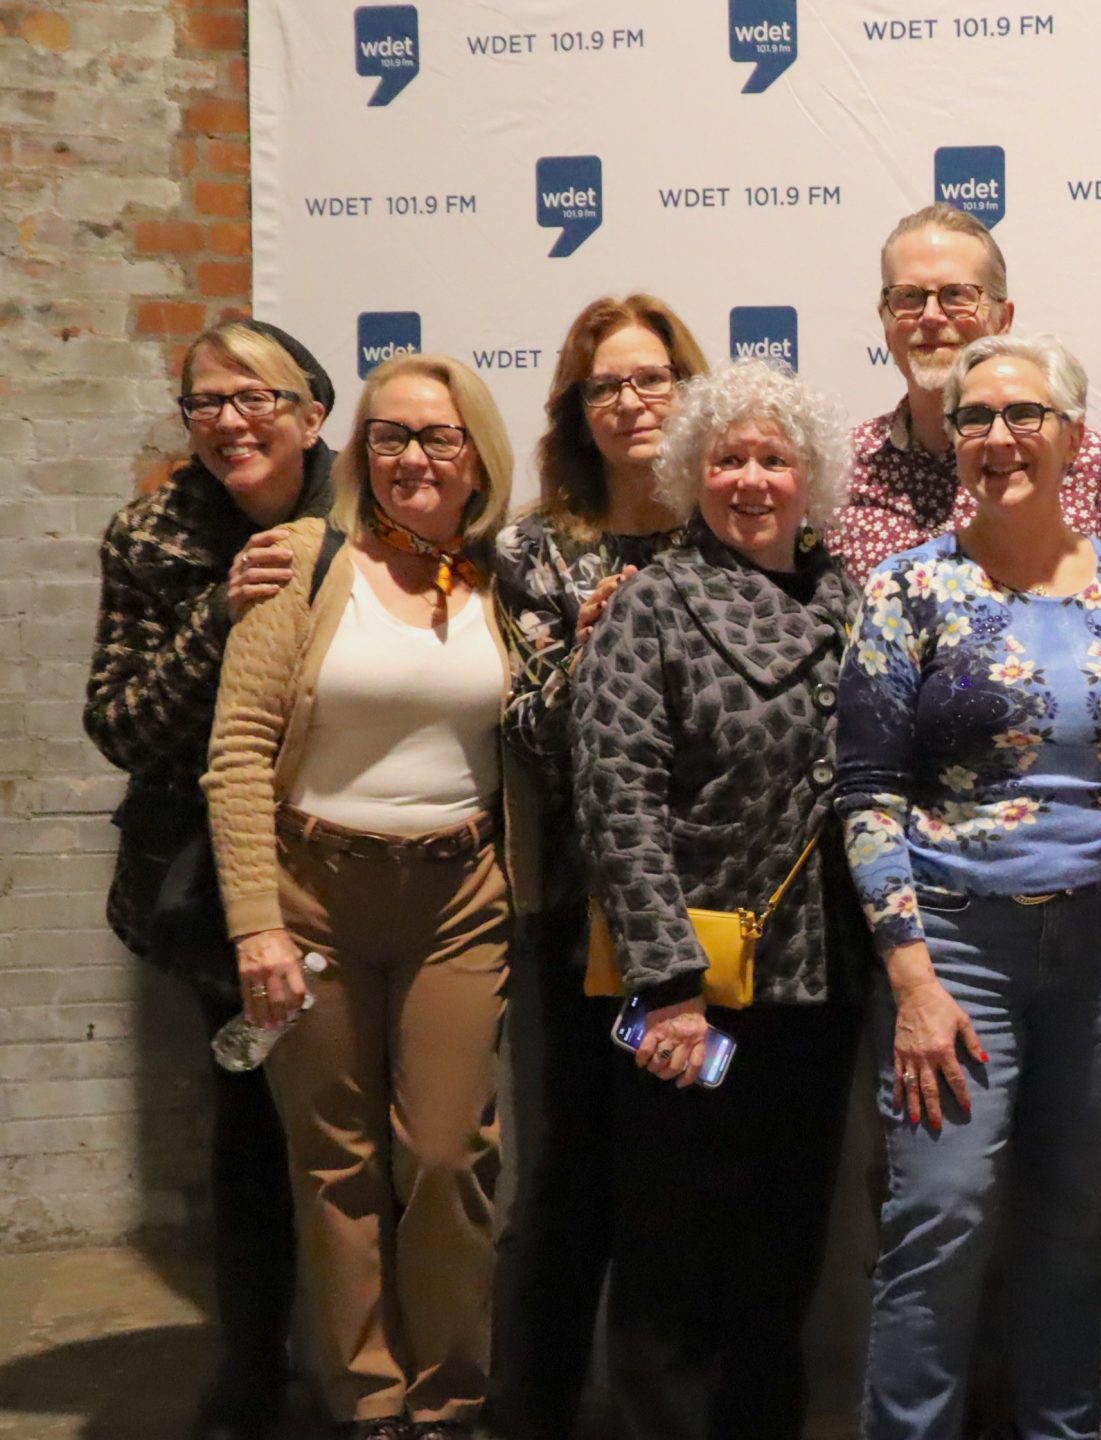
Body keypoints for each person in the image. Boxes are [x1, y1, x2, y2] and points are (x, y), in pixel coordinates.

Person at [837, 334, 1101, 1440]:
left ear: (1075, 436)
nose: (997, 437)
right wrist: (914, 979)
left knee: (1075, 1221)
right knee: (941, 1211)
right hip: (957, 946)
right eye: (973, 418)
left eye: (1024, 414)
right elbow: (868, 793)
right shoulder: (907, 589)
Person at [202, 353, 528, 1440]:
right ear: (358, 453)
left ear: (476, 455)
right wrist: (256, 924)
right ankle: (369, 1404)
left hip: (458, 896)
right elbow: (239, 752)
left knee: (444, 1157)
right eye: (388, 436)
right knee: (332, 1160)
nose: (411, 457)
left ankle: (450, 1401)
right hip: (312, 898)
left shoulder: (510, 581)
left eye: (436, 437)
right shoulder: (299, 562)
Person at [570, 359, 866, 1440]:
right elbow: (617, 803)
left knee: (780, 1257)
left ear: (811, 479)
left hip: (820, 988)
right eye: (727, 459)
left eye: (773, 460)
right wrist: (669, 990)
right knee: (671, 1258)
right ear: (692, 474)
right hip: (692, 991)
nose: (750, 480)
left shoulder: (849, 602)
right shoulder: (650, 605)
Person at [84, 319, 337, 1440]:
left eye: (257, 397)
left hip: (365, 869)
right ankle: (251, 1369)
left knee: (361, 1135)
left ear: (312, 411)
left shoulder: (375, 508)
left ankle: (367, 1368)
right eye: (206, 403)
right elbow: (123, 725)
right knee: (251, 1141)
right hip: (216, 887)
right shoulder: (153, 532)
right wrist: (219, 613)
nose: (232, 421)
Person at [487, 293, 711, 1440]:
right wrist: (592, 654)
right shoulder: (536, 550)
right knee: (566, 1183)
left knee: (679, 1186)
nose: (630, 401)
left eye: (651, 376)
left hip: (713, 934)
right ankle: (528, 1413)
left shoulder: (733, 529)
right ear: (576, 408)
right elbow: (527, 735)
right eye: (604, 384)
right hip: (580, 926)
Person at [824, 203, 1101, 575]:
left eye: (956, 295)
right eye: (908, 297)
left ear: (1002, 318)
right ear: (885, 320)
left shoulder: (1094, 466)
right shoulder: (839, 471)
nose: (930, 316)